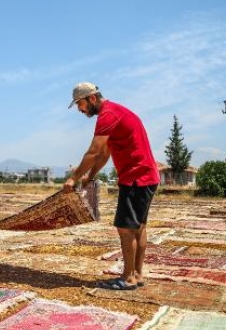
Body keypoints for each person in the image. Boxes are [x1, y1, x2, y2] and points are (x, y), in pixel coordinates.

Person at [64, 82, 160, 290]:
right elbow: (105, 153)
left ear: (91, 98)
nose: (80, 110)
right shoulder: (115, 112)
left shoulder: (108, 115)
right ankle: (137, 275)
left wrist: (73, 178)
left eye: (80, 104)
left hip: (136, 178)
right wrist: (90, 176)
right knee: (138, 227)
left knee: (126, 229)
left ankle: (127, 279)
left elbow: (93, 152)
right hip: (145, 177)